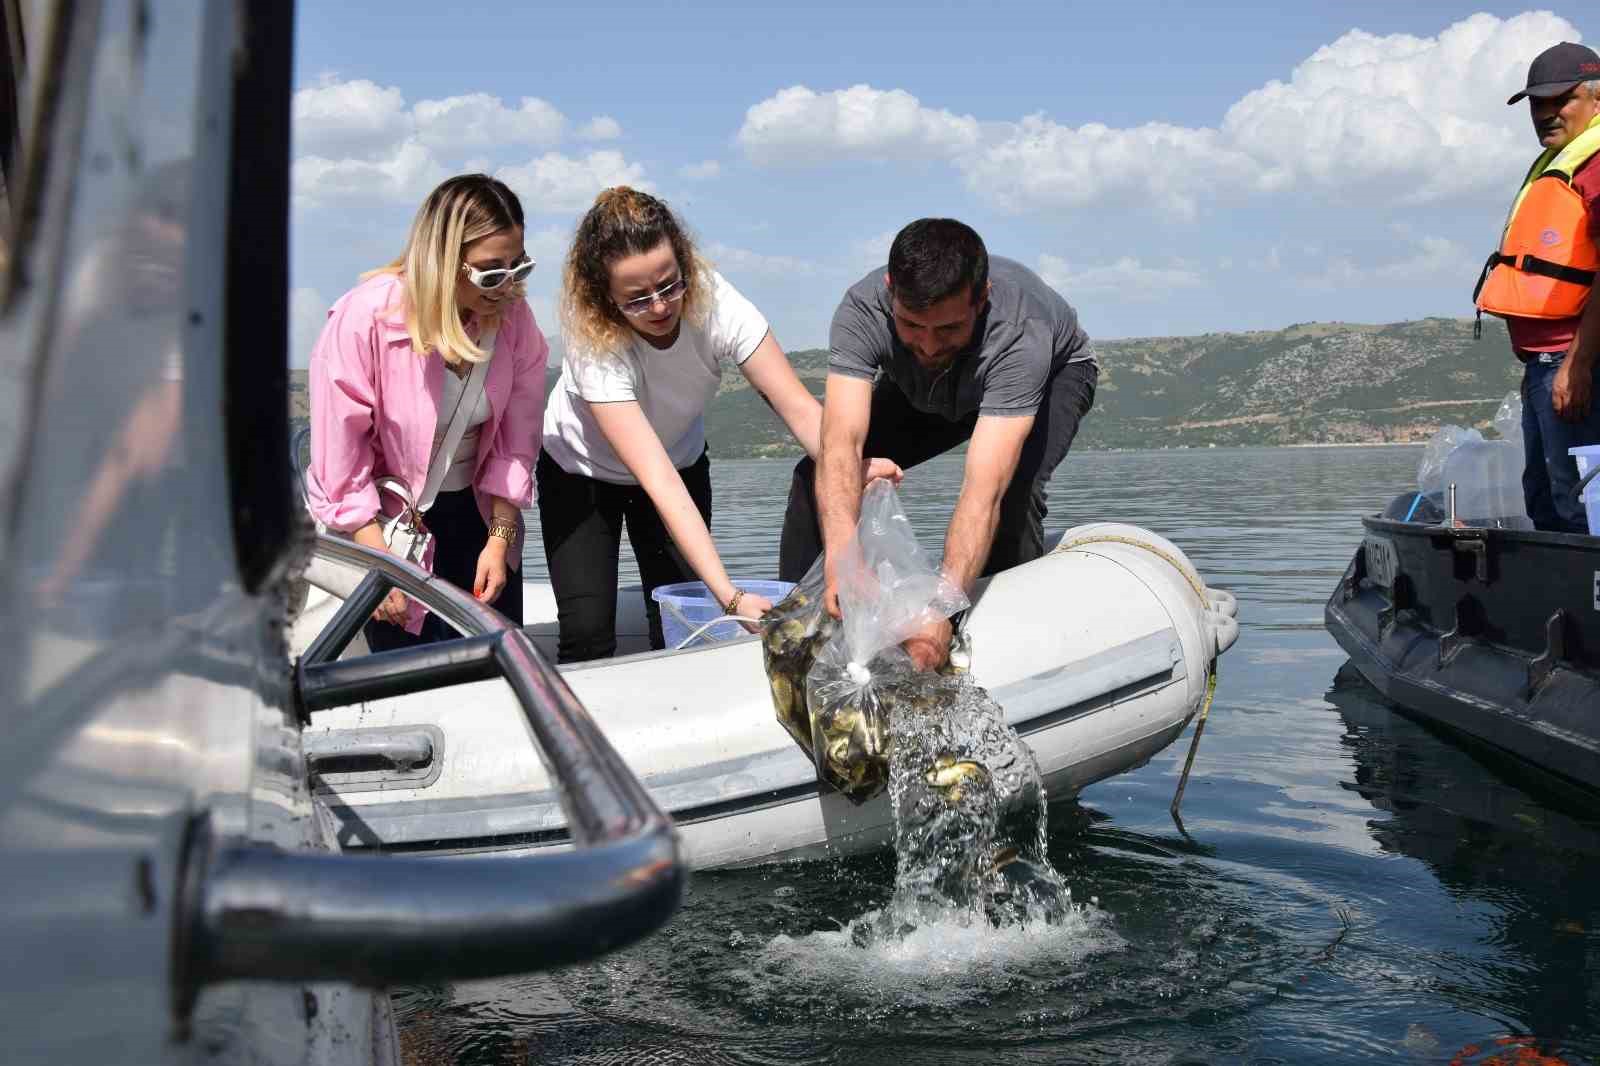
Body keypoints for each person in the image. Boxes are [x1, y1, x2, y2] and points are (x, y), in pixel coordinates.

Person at [539, 187, 900, 662]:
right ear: (605, 300)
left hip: (680, 459)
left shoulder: (716, 301)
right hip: (581, 474)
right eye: (637, 299)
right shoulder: (593, 340)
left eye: (669, 284)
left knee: (676, 622)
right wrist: (730, 598)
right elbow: (658, 482)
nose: (661, 306)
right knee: (587, 632)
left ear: (685, 263)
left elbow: (795, 405)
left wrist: (850, 466)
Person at [779, 218, 1098, 670]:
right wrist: (842, 554)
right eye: (911, 325)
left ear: (982, 298)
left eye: (947, 328)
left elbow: (982, 491)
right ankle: (804, 634)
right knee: (814, 474)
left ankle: (992, 638)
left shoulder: (1018, 331)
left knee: (1014, 493)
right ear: (890, 289)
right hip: (928, 391)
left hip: (1053, 377)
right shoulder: (861, 310)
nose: (927, 345)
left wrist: (942, 607)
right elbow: (840, 445)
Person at [306, 174, 548, 649]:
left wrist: (498, 540)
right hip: (386, 529)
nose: (507, 288)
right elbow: (341, 460)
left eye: (518, 268)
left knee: (496, 669)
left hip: (480, 519)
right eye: (490, 272)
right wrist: (379, 564)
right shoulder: (364, 319)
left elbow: (516, 444)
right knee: (410, 676)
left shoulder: (515, 319)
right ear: (443, 261)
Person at [1474, 42, 1600, 534]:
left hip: (1571, 364)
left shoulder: (1594, 163)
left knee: (1578, 508)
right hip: (1544, 369)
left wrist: (1578, 365)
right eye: (1536, 104)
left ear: (1595, 98)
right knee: (1545, 501)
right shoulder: (1563, 160)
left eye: (1559, 100)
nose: (1545, 114)